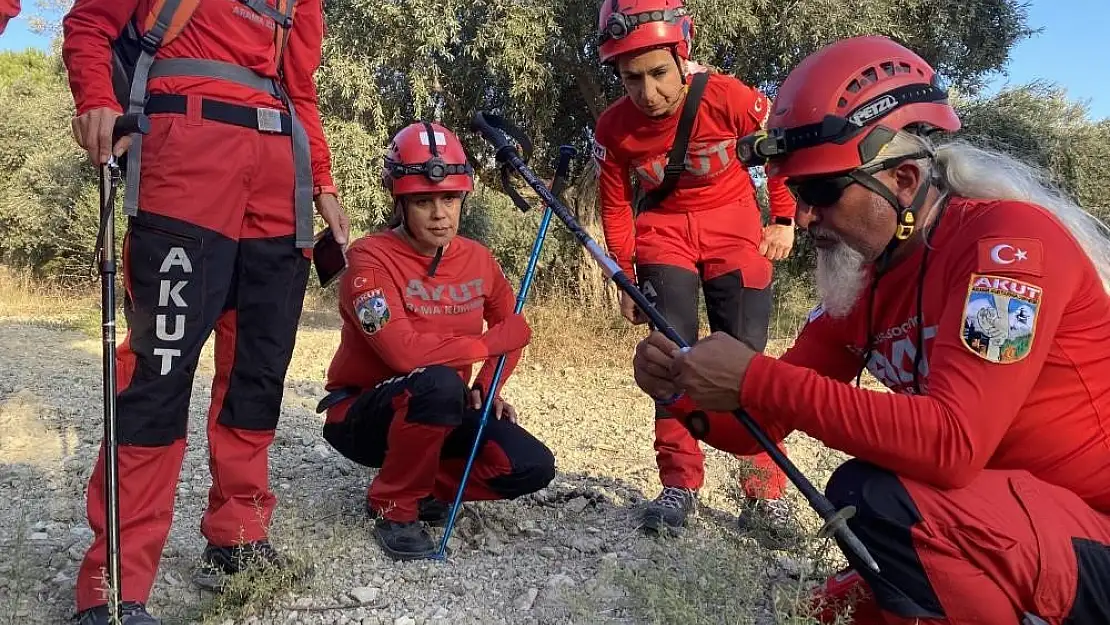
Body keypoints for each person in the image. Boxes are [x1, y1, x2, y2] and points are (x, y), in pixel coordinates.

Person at [632, 34, 1110, 624]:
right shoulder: (863, 278)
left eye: (820, 193)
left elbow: (953, 444)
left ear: (904, 180)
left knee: (872, 497)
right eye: (795, 193)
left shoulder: (1010, 248)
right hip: (1005, 524)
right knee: (826, 610)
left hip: (1090, 534)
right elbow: (760, 427)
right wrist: (680, 387)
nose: (802, 217)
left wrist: (755, 377)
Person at [61, 0, 349, 622]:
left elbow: (300, 86)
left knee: (259, 371)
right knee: (157, 372)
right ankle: (116, 583)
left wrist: (322, 183)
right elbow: (90, 23)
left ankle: (238, 536)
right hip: (183, 158)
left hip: (283, 181)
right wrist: (92, 97)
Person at [591, 0, 799, 535]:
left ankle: (763, 491)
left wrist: (783, 218)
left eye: (659, 73)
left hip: (734, 229)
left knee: (747, 359)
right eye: (631, 78)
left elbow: (779, 151)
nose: (649, 93)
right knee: (670, 360)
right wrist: (624, 274)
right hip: (663, 235)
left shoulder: (730, 97)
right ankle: (679, 483)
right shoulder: (613, 128)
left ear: (683, 54)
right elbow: (615, 205)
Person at [317, 121, 557, 562]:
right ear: (399, 201)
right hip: (361, 413)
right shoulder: (368, 261)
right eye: (423, 201)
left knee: (531, 465)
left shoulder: (479, 260)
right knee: (439, 383)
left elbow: (513, 332)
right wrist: (487, 346)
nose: (440, 213)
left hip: (440, 406)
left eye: (449, 198)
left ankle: (421, 484)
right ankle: (393, 506)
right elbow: (404, 354)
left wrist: (486, 389)